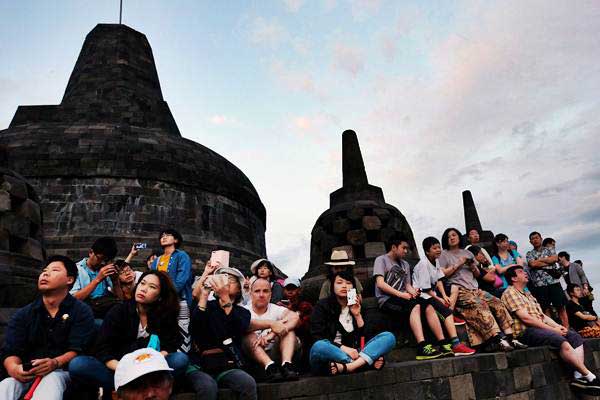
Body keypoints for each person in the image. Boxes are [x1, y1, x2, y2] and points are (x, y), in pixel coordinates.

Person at [68, 271, 189, 397]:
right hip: (119, 368)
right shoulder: (119, 311)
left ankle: (134, 390)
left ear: (160, 296)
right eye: (142, 283)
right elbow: (102, 349)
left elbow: (170, 345)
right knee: (78, 365)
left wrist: (153, 361)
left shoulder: (164, 315)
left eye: (152, 287)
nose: (144, 289)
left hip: (151, 369)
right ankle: (141, 389)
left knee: (180, 360)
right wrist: (125, 368)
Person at [0, 255, 95, 400]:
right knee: (7, 385)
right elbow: (11, 350)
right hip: (29, 372)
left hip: (63, 372)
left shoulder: (81, 311)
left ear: (69, 280)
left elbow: (77, 349)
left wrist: (55, 362)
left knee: (51, 381)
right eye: (44, 270)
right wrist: (14, 368)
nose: (45, 274)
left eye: (54, 270)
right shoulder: (24, 314)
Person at [501, 266, 600, 391]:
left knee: (575, 337)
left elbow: (542, 316)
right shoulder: (510, 292)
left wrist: (558, 326)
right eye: (521, 272)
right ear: (513, 278)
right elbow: (526, 318)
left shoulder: (527, 294)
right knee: (560, 339)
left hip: (541, 328)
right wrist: (552, 330)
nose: (525, 273)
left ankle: (577, 377)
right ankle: (590, 376)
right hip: (525, 331)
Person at [438, 228, 521, 351]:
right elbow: (442, 273)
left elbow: (477, 274)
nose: (452, 238)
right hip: (460, 290)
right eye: (448, 236)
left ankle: (510, 337)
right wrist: (458, 264)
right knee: (480, 306)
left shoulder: (468, 253)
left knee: (497, 302)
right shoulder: (443, 254)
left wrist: (472, 266)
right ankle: (497, 339)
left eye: (454, 235)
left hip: (475, 288)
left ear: (459, 237)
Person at [187, 265, 257, 400]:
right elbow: (196, 326)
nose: (225, 282)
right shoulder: (209, 306)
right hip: (200, 364)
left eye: (230, 280)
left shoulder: (243, 312)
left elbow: (235, 327)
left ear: (239, 289)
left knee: (247, 383)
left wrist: (225, 297)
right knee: (207, 387)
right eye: (222, 278)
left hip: (226, 364)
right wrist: (205, 293)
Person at [310, 270, 396, 375]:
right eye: (339, 282)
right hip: (331, 354)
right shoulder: (322, 306)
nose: (344, 286)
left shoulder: (359, 307)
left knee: (389, 337)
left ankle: (349, 367)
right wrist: (344, 349)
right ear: (332, 286)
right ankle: (363, 364)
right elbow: (317, 337)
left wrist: (357, 316)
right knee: (319, 346)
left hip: (354, 355)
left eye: (348, 283)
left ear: (354, 288)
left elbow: (366, 340)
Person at [374, 235, 445, 360]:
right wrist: (402, 295)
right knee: (415, 306)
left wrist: (414, 293)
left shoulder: (405, 264)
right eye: (404, 248)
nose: (406, 251)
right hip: (387, 299)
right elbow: (380, 283)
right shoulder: (381, 260)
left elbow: (407, 284)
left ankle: (443, 343)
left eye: (407, 249)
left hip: (404, 297)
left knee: (427, 304)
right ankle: (422, 347)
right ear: (394, 247)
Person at [412, 237, 476, 355]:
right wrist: (439, 298)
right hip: (422, 295)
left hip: (432, 292)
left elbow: (439, 279)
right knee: (445, 311)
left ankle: (449, 315)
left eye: (439, 247)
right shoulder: (423, 265)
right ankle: (456, 344)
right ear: (427, 251)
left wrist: (444, 296)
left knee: (454, 287)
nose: (438, 250)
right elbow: (425, 289)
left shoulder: (435, 261)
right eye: (434, 248)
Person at [243, 278, 301, 382]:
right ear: (251, 294)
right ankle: (269, 366)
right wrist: (273, 325)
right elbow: (244, 325)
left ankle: (287, 365)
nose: (261, 295)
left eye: (265, 291)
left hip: (276, 353)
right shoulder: (244, 311)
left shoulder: (275, 309)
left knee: (288, 330)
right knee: (248, 335)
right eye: (257, 291)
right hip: (254, 356)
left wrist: (272, 334)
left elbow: (294, 317)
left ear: (270, 294)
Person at [149, 228, 193, 352]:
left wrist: (166, 294)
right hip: (161, 301)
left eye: (168, 235)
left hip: (179, 299)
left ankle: (184, 359)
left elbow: (182, 279)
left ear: (176, 240)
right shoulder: (157, 260)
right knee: (163, 330)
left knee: (182, 329)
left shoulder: (181, 256)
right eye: (162, 235)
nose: (163, 237)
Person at [70, 237, 121, 319]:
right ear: (91, 252)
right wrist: (97, 279)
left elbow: (120, 298)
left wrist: (115, 280)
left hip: (105, 308)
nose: (102, 262)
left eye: (106, 260)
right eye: (100, 258)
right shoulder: (76, 269)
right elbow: (74, 298)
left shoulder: (106, 268)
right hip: (86, 312)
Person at [525, 232, 568, 327]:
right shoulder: (529, 254)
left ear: (541, 238)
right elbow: (532, 264)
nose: (535, 240)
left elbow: (554, 259)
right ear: (530, 241)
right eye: (533, 239)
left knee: (561, 307)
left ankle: (566, 329)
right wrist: (547, 261)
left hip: (553, 281)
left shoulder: (550, 249)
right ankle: (552, 330)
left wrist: (539, 261)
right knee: (545, 308)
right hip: (539, 284)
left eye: (537, 238)